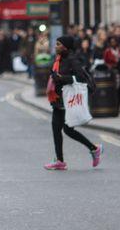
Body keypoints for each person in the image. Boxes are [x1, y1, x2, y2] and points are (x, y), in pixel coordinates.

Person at [45, 36, 102, 170]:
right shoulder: (58, 59)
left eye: (58, 44)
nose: (55, 46)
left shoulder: (72, 59)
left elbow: (80, 78)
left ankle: (94, 149)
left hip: (67, 99)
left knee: (67, 130)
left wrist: (61, 78)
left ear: (65, 46)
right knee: (57, 129)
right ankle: (60, 160)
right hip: (58, 99)